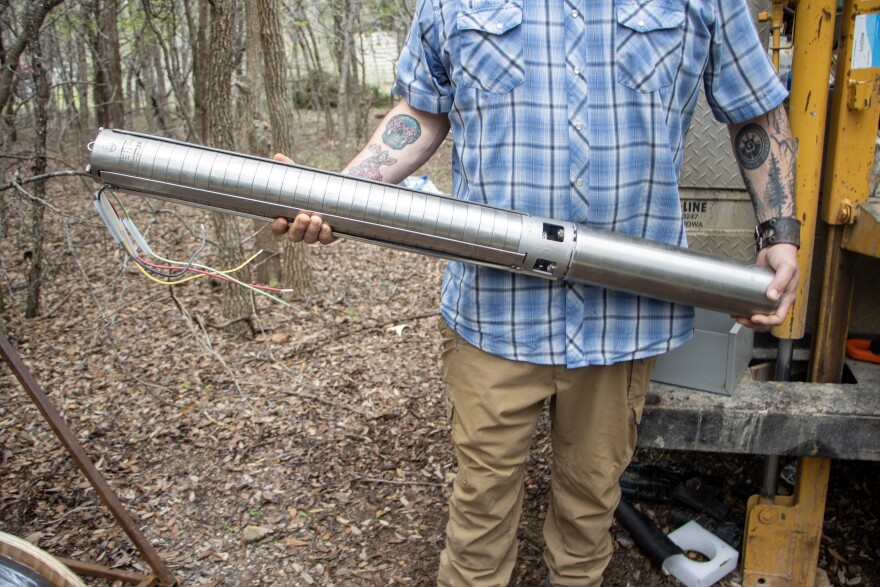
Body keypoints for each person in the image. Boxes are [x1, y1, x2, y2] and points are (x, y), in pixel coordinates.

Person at [272, 0, 800, 583]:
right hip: (494, 313)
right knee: (479, 513)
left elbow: (754, 108)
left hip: (622, 317)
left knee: (590, 510)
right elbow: (421, 110)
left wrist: (779, 231)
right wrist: (343, 193)